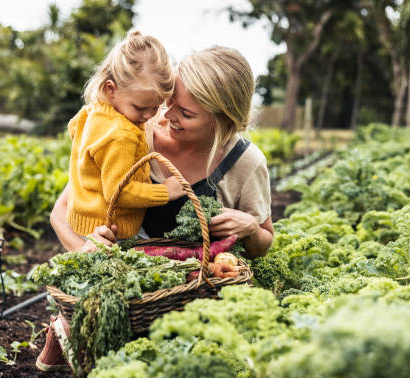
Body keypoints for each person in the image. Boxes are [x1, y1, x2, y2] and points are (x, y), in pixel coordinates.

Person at [37, 45, 274, 372]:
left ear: (225, 118)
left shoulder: (246, 163)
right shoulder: (134, 129)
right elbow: (60, 213)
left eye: (186, 113)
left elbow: (264, 242)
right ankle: (67, 329)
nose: (166, 115)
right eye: (169, 101)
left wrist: (249, 228)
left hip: (198, 299)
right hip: (133, 303)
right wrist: (87, 250)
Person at [64, 30, 184, 242]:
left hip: (85, 220)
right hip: (111, 230)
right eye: (140, 107)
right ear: (111, 89)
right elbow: (118, 192)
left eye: (156, 107)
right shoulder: (122, 134)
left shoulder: (92, 112)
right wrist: (165, 192)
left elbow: (74, 130)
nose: (148, 116)